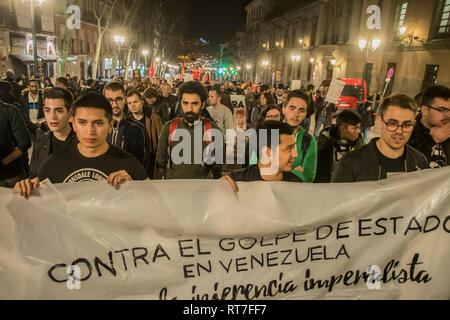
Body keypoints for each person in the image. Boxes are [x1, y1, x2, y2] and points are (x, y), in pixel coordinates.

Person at [13, 92, 148, 198]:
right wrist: (25, 190)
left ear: (110, 125)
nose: (90, 131)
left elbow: (153, 208)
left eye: (98, 123)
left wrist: (135, 191)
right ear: (74, 124)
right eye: (83, 122)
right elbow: (38, 213)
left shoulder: (129, 166)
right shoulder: (54, 165)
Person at [331, 94, 429, 182]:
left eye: (407, 125)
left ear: (414, 124)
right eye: (392, 123)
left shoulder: (420, 162)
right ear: (380, 122)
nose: (399, 131)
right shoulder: (350, 163)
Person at [155, 81, 223, 180]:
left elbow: (218, 170)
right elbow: (160, 166)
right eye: (185, 103)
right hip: (173, 190)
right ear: (180, 103)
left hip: (202, 191)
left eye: (194, 104)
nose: (189, 108)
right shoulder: (169, 128)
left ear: (203, 104)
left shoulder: (213, 131)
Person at [221, 120, 301, 191]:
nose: (295, 154)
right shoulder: (234, 181)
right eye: (288, 149)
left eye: (294, 147)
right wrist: (218, 188)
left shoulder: (297, 185)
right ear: (267, 152)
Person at [29, 87, 77, 179]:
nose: (52, 117)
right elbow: (33, 173)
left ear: (70, 112)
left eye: (59, 111)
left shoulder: (82, 141)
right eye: (48, 110)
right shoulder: (40, 141)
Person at [103, 82, 151, 169]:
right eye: (110, 100)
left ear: (125, 100)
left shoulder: (138, 129)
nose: (114, 104)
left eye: (118, 99)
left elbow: (143, 162)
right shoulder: (99, 128)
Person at [315, 110, 364, 183]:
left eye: (359, 127)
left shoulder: (358, 141)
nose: (358, 131)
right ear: (342, 128)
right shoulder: (325, 140)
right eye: (354, 128)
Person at [408, 85, 450, 168]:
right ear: (425, 110)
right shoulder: (408, 131)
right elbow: (405, 165)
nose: (448, 115)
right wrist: (431, 140)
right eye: (442, 110)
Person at [0, 81, 31, 188]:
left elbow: (25, 143)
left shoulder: (10, 111)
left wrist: (3, 162)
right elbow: (25, 143)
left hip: (11, 175)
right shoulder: (11, 110)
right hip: (12, 175)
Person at [282, 90, 317, 182]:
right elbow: (256, 170)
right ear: (283, 109)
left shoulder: (308, 140)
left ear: (305, 114)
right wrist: (293, 174)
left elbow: (308, 176)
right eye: (292, 108)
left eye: (301, 111)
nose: (296, 115)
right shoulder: (266, 134)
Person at [126, 90, 163, 178]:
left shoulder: (154, 118)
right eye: (129, 103)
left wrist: (161, 164)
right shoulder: (126, 122)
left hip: (151, 163)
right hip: (132, 164)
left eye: (135, 102)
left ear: (142, 102)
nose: (133, 105)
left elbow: (162, 142)